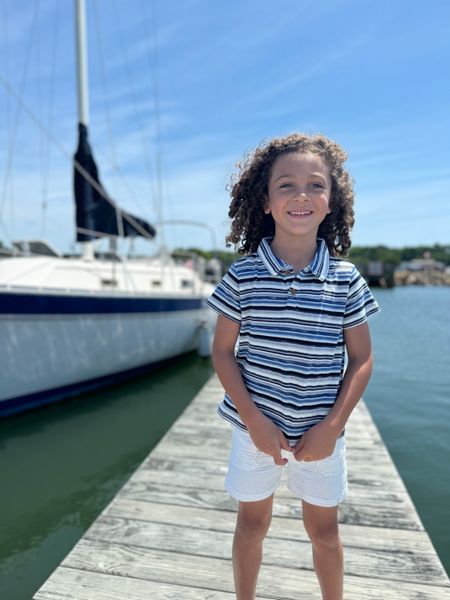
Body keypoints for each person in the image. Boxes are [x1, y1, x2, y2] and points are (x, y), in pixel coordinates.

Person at [207, 133, 380, 600]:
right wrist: (254, 420)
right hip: (253, 429)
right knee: (252, 523)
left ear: (331, 202)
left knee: (324, 532)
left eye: (315, 185)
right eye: (286, 185)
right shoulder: (242, 275)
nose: (301, 195)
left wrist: (332, 426)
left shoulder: (346, 280)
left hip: (322, 431)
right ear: (265, 202)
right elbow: (222, 352)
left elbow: (362, 359)